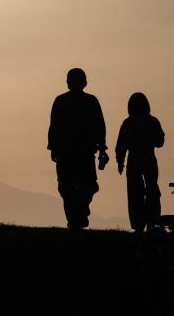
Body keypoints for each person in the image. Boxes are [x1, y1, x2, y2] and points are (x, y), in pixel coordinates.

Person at [47, 68, 108, 229]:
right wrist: (102, 148)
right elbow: (100, 127)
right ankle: (77, 216)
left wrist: (53, 148)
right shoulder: (89, 101)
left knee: (76, 186)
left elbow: (54, 127)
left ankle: (77, 215)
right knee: (77, 186)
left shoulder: (62, 101)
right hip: (78, 152)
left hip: (76, 152)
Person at [115, 92, 165, 232]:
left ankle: (138, 224)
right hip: (149, 158)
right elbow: (160, 141)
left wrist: (120, 161)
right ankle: (152, 221)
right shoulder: (153, 121)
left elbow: (121, 145)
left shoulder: (128, 123)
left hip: (134, 160)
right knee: (152, 190)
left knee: (134, 193)